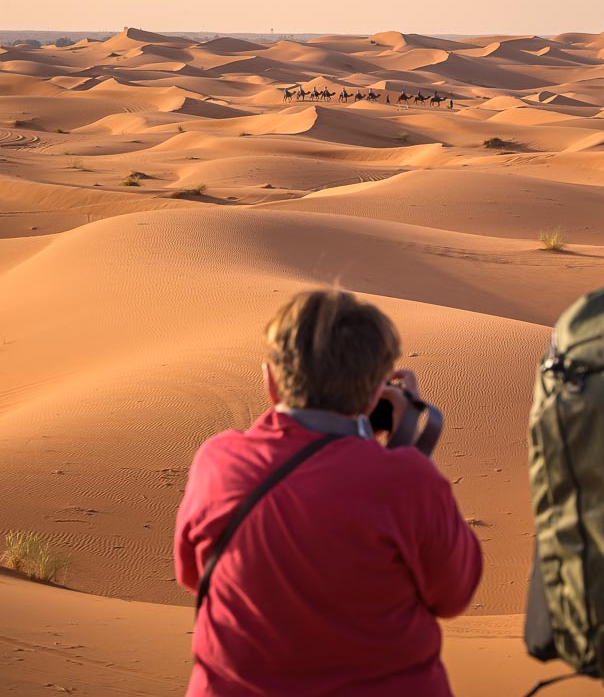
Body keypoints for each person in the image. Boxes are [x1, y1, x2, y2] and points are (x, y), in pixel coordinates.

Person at [174, 289, 482, 696]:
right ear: (377, 392)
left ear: (270, 381)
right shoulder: (407, 481)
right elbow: (454, 593)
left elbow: (192, 574)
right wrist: (407, 450)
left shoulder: (218, 461)